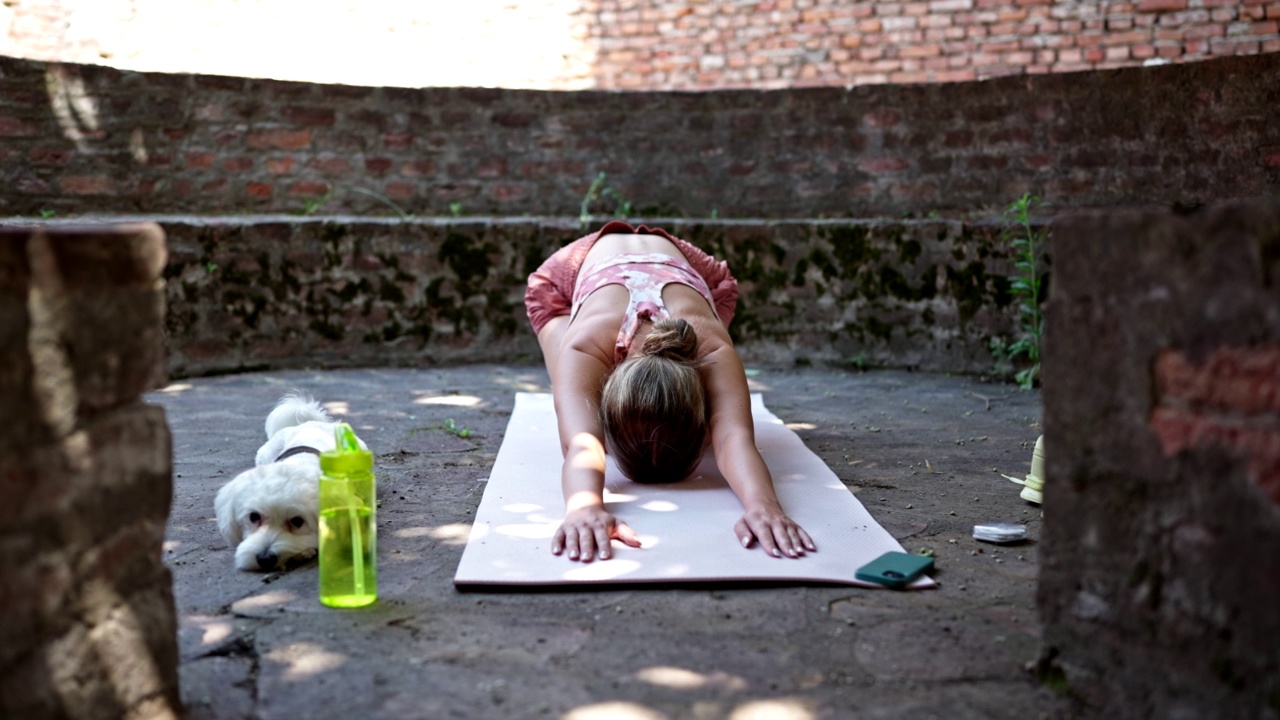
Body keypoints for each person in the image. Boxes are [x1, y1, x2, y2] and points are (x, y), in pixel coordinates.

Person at [525, 220, 816, 563]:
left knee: (578, 395)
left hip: (689, 270)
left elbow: (733, 437)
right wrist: (583, 508)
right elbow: (581, 443)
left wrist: (764, 507)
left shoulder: (709, 349)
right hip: (571, 273)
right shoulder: (585, 346)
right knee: (570, 389)